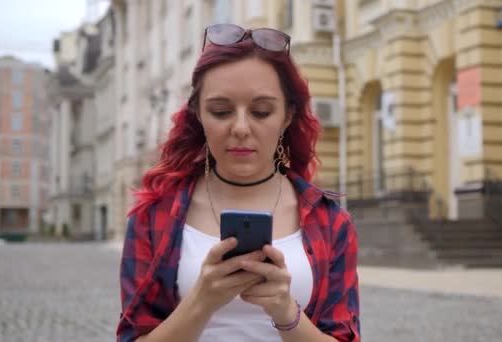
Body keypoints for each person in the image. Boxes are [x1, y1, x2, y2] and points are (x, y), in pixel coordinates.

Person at [116, 23, 360, 342]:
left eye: (260, 112)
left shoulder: (330, 220)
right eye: (221, 111)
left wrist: (286, 313)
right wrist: (202, 301)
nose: (241, 128)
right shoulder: (153, 215)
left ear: (287, 116)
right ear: (198, 114)